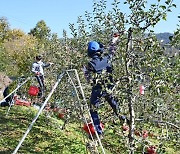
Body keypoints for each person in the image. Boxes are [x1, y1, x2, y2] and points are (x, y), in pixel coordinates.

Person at [83, 33, 125, 136]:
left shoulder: (90, 64)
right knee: (113, 103)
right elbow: (112, 50)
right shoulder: (107, 58)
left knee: (93, 108)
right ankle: (123, 118)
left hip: (98, 88)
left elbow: (88, 79)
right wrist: (114, 40)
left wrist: (85, 71)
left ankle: (98, 131)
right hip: (109, 87)